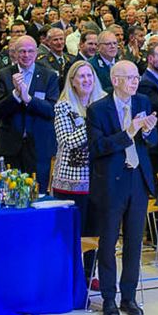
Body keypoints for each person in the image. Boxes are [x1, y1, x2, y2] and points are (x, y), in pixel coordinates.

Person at [87, 60, 158, 315]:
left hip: (138, 179)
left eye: (136, 77)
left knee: (134, 243)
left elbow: (153, 141)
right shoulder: (98, 109)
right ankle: (108, 297)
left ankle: (128, 296)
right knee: (108, 243)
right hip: (111, 182)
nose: (134, 81)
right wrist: (128, 132)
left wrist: (149, 133)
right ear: (115, 80)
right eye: (129, 77)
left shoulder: (142, 102)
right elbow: (98, 148)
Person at [0, 35, 60, 192]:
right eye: (22, 51)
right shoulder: (4, 75)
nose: (26, 55)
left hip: (39, 147)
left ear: (36, 53)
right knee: (10, 193)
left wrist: (28, 99)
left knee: (37, 193)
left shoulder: (49, 75)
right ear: (15, 53)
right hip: (11, 146)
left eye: (30, 51)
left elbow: (51, 110)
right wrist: (16, 96)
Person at [51, 61, 103, 230]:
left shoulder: (102, 102)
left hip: (98, 180)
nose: (86, 80)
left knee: (94, 233)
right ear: (72, 81)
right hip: (71, 182)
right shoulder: (63, 106)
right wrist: (92, 122)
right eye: (81, 76)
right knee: (71, 233)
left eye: (89, 75)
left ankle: (92, 258)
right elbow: (67, 141)